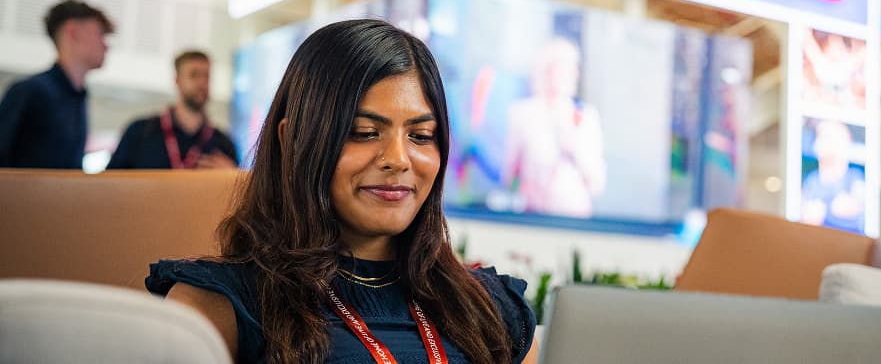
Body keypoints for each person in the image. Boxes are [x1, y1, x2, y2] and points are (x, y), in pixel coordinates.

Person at [146, 20, 536, 363]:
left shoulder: (493, 309)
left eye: (421, 135)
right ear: (293, 141)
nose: (398, 159)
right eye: (364, 133)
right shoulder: (223, 306)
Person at [0, 0, 113, 169]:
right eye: (100, 34)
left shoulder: (78, 96)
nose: (106, 46)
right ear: (73, 31)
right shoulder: (30, 91)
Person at [501, 38, 606, 218]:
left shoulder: (586, 116)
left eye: (573, 69)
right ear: (546, 71)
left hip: (576, 218)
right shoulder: (522, 113)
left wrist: (575, 151)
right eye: (563, 68)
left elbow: (597, 184)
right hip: (533, 216)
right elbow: (509, 177)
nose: (571, 75)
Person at [107, 50, 238, 169]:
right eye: (194, 75)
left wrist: (232, 175)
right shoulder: (140, 132)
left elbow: (243, 191)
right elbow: (110, 184)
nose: (202, 82)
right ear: (177, 81)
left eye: (206, 76)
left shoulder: (222, 143)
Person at [800, 119, 865, 234]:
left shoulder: (854, 177)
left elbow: (855, 207)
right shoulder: (812, 181)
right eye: (821, 136)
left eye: (828, 137)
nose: (822, 142)